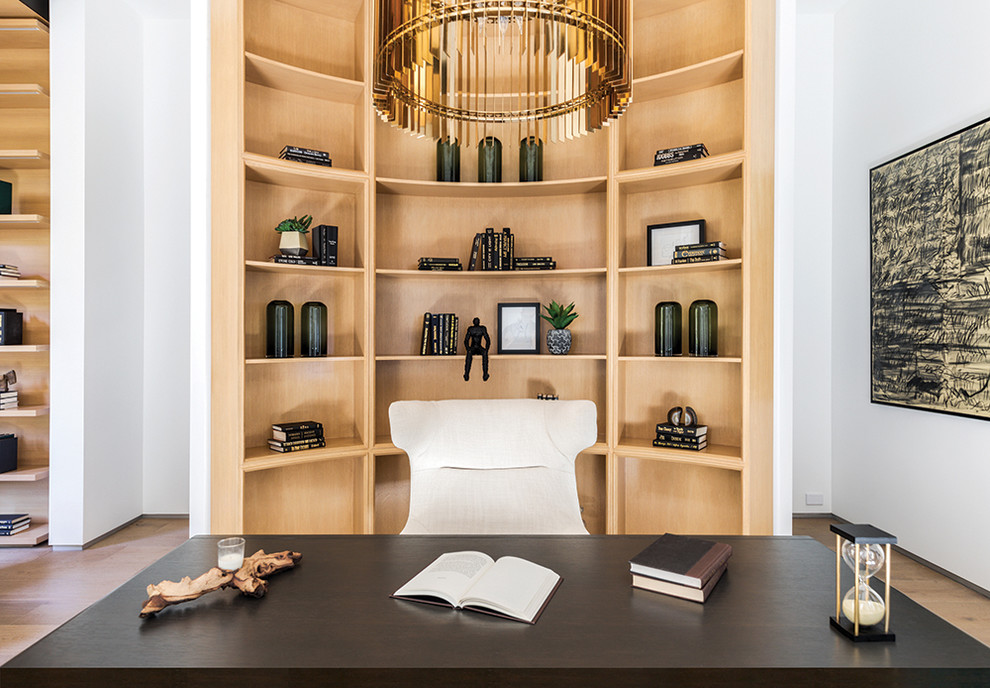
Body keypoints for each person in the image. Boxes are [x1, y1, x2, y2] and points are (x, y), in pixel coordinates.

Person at [463, 317, 490, 381]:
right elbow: (466, 340)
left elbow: (488, 340)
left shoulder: (482, 329)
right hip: (473, 347)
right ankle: (466, 374)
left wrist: (486, 349)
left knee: (485, 353)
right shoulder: (471, 329)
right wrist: (468, 348)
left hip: (479, 347)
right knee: (469, 354)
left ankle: (485, 373)